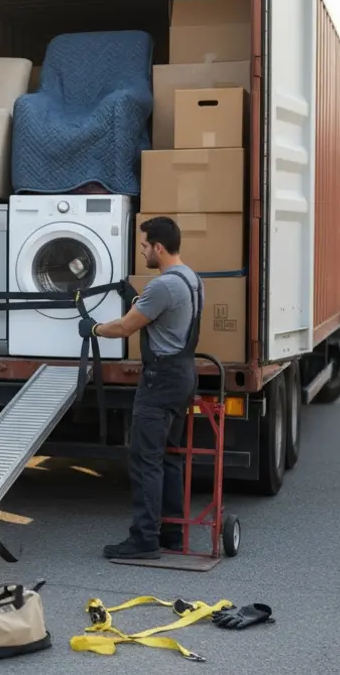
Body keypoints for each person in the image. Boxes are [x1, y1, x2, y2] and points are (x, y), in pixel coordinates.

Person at [81, 216, 203, 560]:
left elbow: (124, 328)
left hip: (160, 380)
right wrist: (137, 300)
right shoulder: (192, 279)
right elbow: (159, 317)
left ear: (159, 248)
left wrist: (93, 329)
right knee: (170, 457)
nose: (143, 251)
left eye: (146, 246)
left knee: (145, 459)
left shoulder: (163, 286)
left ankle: (144, 539)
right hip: (183, 374)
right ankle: (173, 533)